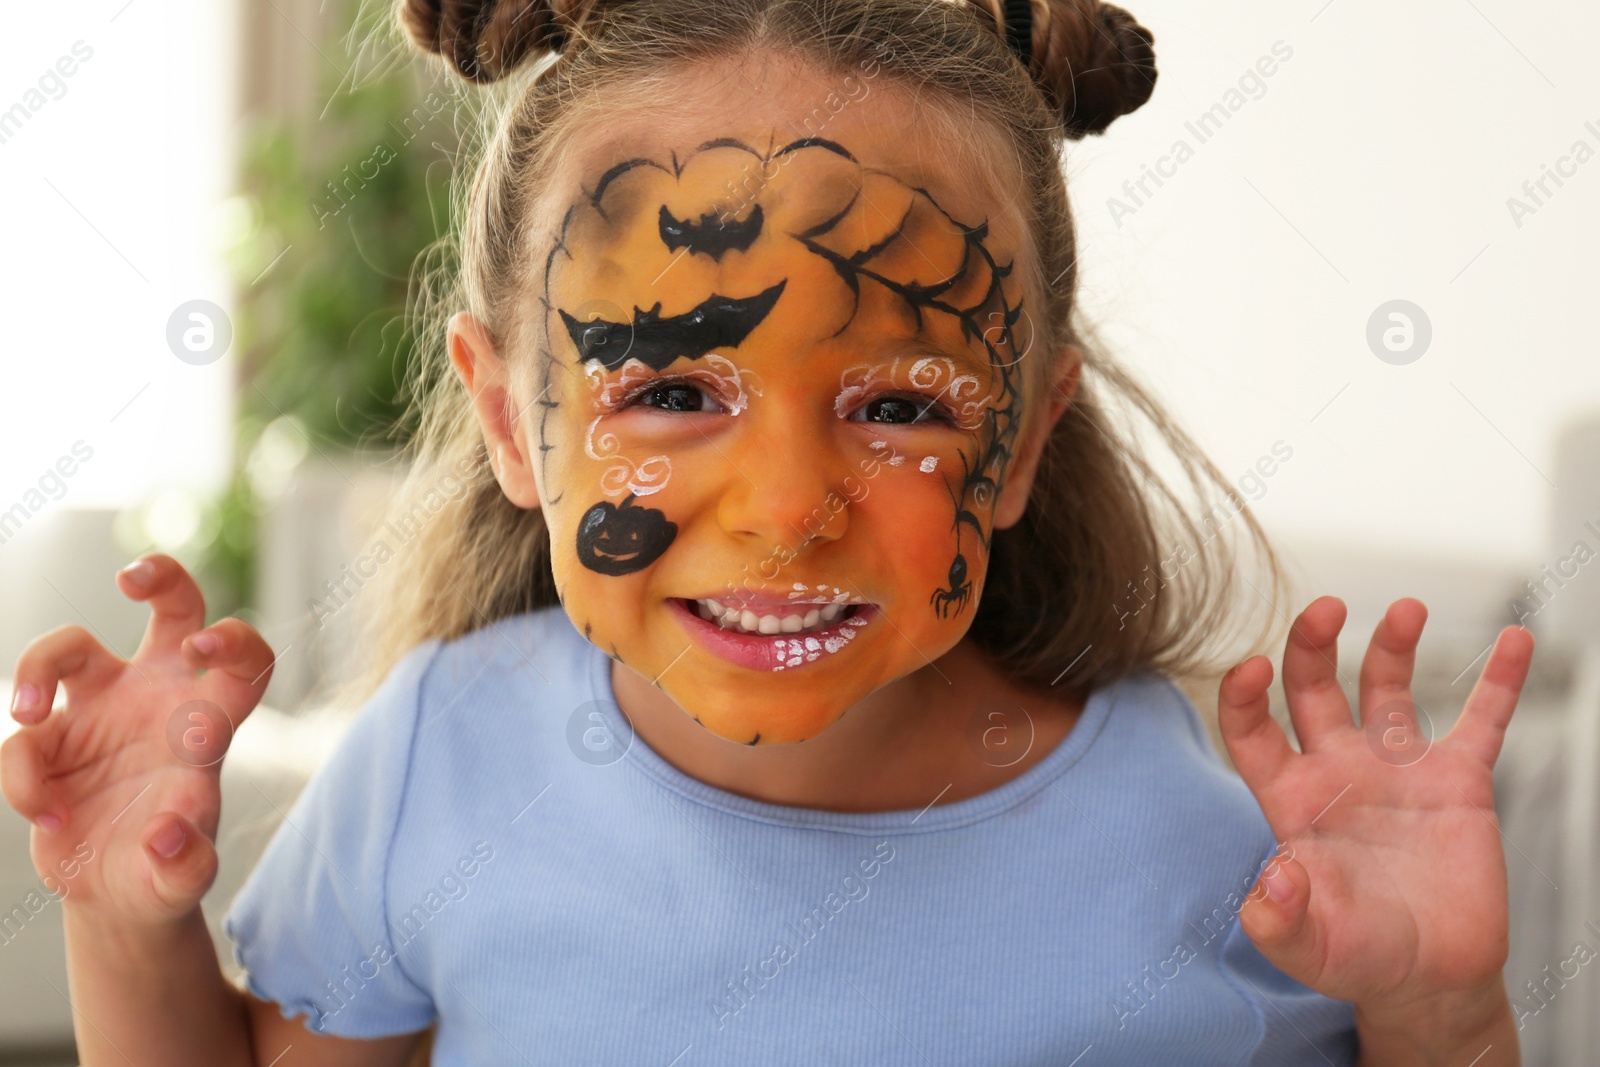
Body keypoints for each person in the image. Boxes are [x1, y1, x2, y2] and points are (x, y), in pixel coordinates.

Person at [1, 0, 1535, 1062]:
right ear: (504, 417)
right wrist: (129, 917)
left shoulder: (1204, 840)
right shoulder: (439, 767)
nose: (791, 507)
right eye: (670, 388)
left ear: (1022, 441)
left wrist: (1441, 1011)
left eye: (899, 406)